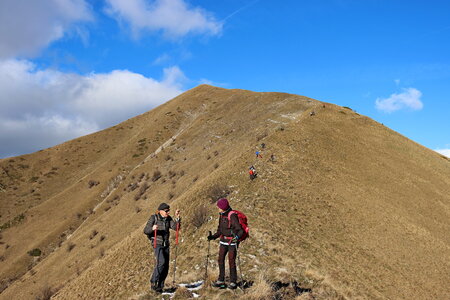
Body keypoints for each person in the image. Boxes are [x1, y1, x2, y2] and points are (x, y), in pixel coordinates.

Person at [144, 203, 181, 293]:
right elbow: (145, 230)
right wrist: (152, 228)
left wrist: (177, 218)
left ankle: (160, 286)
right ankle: (153, 282)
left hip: (166, 244)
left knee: (166, 267)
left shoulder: (168, 219)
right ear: (160, 211)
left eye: (168, 210)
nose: (168, 212)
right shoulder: (154, 218)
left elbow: (176, 228)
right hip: (157, 244)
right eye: (166, 211)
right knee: (161, 263)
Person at [207, 198, 244, 289]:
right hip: (223, 240)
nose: (217, 208)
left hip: (232, 241)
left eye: (219, 206)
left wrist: (236, 238)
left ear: (223, 207)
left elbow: (240, 230)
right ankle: (221, 280)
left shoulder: (232, 216)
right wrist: (213, 237)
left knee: (231, 261)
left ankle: (233, 282)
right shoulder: (222, 215)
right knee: (220, 259)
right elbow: (220, 230)